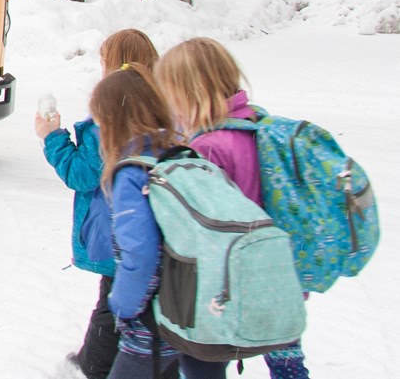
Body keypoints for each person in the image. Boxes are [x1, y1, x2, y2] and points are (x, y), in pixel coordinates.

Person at [155, 38, 310, 379]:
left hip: (226, 282)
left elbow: (195, 227)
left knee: (201, 362)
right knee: (286, 357)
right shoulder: (257, 125)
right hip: (277, 272)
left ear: (187, 93)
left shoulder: (208, 148)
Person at [35, 29, 160, 379]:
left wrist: (52, 137)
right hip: (153, 226)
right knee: (141, 297)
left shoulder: (110, 121)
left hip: (116, 227)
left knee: (111, 300)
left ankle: (94, 364)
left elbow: (81, 174)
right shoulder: (163, 108)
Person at [90, 64, 218, 379]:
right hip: (200, 311)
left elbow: (141, 254)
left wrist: (120, 305)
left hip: (153, 323)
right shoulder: (187, 156)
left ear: (112, 122)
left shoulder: (134, 172)